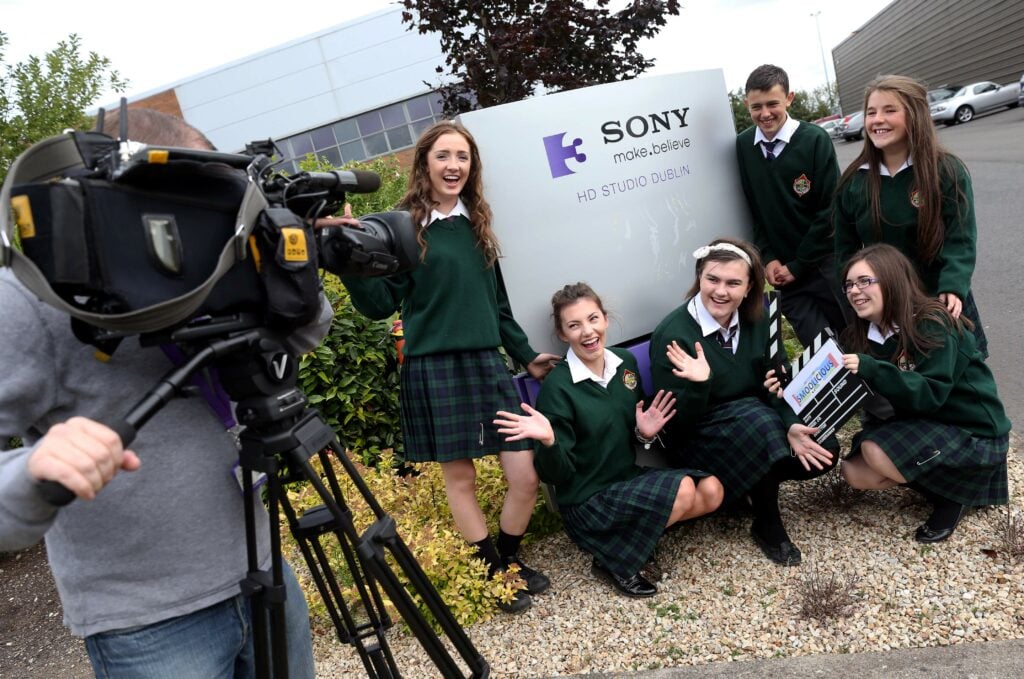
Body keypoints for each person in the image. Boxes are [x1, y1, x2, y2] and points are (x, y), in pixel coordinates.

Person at [0, 109, 321, 676]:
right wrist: (30, 474)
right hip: (148, 624)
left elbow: (304, 334)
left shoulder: (215, 258)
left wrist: (293, 275)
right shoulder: (29, 300)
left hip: (264, 570)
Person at [338, 120, 560, 612]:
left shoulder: (478, 223)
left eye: (462, 157)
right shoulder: (403, 229)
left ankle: (506, 559)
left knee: (524, 474)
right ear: (424, 164)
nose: (453, 165)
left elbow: (497, 305)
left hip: (487, 365)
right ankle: (492, 573)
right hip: (433, 368)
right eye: (443, 156)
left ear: (471, 166)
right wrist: (350, 258)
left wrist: (526, 356)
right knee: (460, 479)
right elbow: (378, 305)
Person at [493, 283, 724, 597]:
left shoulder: (624, 363)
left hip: (624, 481)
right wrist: (549, 441)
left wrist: (643, 433)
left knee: (712, 490)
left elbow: (628, 429)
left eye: (593, 319)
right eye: (574, 325)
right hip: (587, 501)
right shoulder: (558, 388)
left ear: (605, 319)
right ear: (563, 335)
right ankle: (614, 560)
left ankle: (625, 541)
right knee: (683, 489)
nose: (587, 331)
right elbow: (554, 475)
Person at [649, 237, 838, 566]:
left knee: (825, 449)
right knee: (760, 427)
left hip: (754, 421)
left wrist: (792, 424)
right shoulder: (675, 334)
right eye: (712, 280)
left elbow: (773, 384)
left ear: (750, 287)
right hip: (697, 434)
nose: (720, 291)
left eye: (733, 283)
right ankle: (767, 523)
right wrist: (700, 383)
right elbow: (677, 424)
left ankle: (743, 487)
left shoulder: (760, 320)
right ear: (699, 279)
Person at [835, 244, 1009, 542]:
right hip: (924, 421)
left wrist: (873, 369)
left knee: (876, 451)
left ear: (892, 280)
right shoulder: (859, 336)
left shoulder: (932, 322)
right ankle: (945, 481)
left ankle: (953, 498)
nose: (854, 290)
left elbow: (930, 395)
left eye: (865, 281)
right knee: (853, 472)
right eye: (849, 284)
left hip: (971, 429)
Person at [834, 74, 987, 357]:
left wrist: (954, 286)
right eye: (871, 112)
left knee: (962, 384)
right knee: (908, 388)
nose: (877, 119)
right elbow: (845, 251)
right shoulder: (853, 183)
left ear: (915, 115)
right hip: (888, 308)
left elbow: (961, 238)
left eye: (889, 110)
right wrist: (858, 294)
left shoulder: (946, 170)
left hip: (940, 297)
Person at [736, 64, 848, 348]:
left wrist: (799, 264)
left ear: (789, 98)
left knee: (854, 338)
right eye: (755, 107)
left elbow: (830, 210)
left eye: (773, 103)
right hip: (785, 276)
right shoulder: (743, 146)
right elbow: (754, 212)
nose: (765, 114)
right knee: (822, 351)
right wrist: (769, 258)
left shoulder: (814, 140)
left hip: (824, 265)